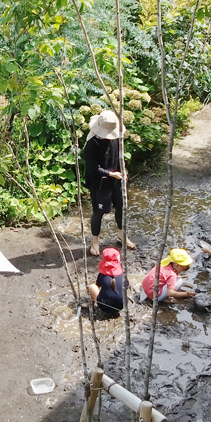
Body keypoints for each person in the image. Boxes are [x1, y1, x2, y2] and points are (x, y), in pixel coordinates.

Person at [83, 109, 135, 256]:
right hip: (100, 184)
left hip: (116, 180)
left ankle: (121, 234)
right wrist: (111, 174)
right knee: (99, 212)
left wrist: (123, 170)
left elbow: (119, 156)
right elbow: (93, 168)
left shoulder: (116, 139)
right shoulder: (92, 144)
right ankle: (94, 241)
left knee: (121, 207)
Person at [87, 248, 129, 317]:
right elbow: (126, 287)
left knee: (92, 287)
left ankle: (91, 305)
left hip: (105, 307)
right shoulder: (123, 275)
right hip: (122, 305)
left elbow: (97, 286)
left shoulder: (102, 275)